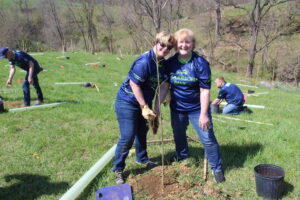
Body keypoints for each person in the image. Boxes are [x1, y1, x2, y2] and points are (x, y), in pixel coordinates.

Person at [158, 28, 225, 183]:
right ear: (176, 44)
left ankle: (217, 169)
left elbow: (204, 90)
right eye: (181, 42)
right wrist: (157, 106)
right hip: (177, 108)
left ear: (193, 44)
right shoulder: (170, 63)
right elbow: (164, 86)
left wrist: (203, 114)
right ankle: (182, 157)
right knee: (179, 134)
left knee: (207, 139)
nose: (184, 45)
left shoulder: (200, 63)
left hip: (197, 109)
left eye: (187, 42)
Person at [113, 31, 175, 185]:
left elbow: (164, 85)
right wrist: (143, 106)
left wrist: (156, 106)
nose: (165, 48)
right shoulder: (144, 61)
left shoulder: (163, 64)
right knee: (128, 136)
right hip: (128, 102)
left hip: (145, 103)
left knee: (142, 132)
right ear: (156, 42)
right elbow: (135, 84)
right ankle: (118, 169)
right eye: (162, 44)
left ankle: (142, 158)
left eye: (169, 47)